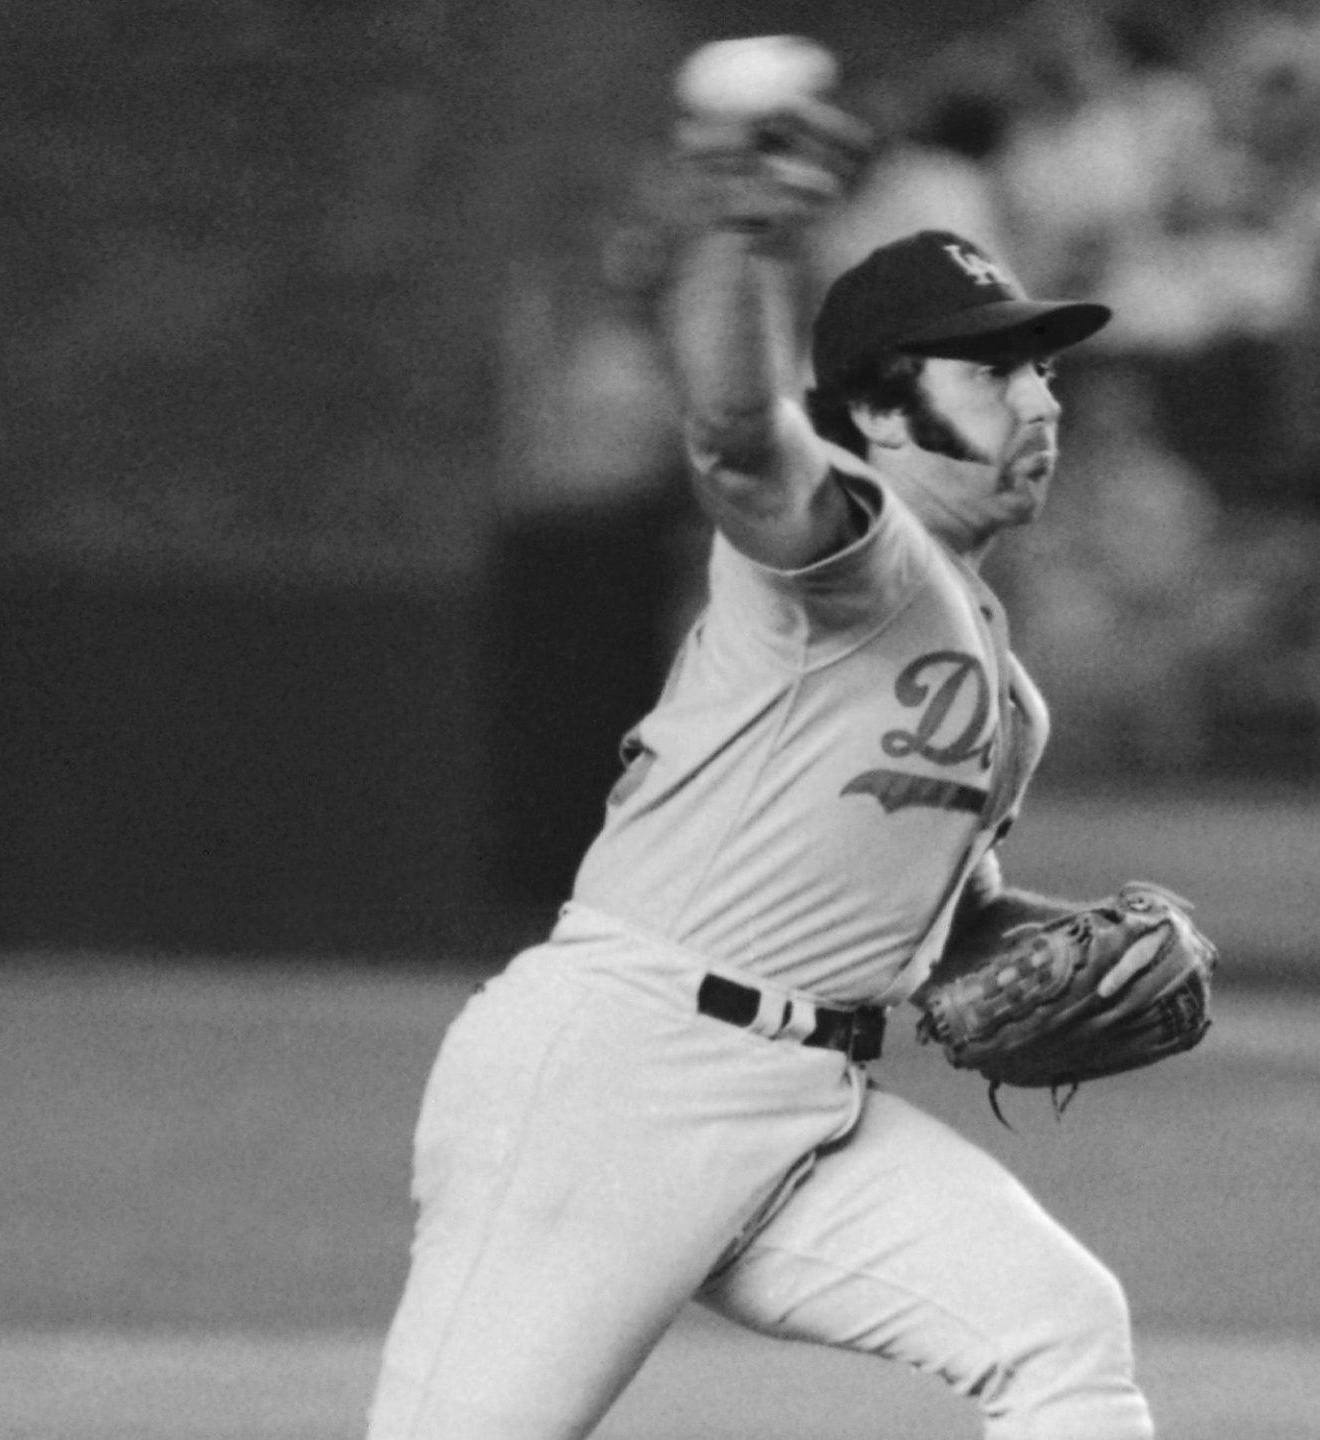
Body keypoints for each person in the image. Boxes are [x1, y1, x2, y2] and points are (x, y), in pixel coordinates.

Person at [363, 95, 1166, 1440]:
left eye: (1044, 371)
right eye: (991, 371)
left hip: (806, 1108)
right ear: (876, 411)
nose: (1037, 400)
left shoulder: (1008, 695)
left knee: (1060, 1329)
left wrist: (1051, 942)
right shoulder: (844, 555)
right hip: (619, 1079)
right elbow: (740, 439)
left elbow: (928, 914)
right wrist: (742, 241)